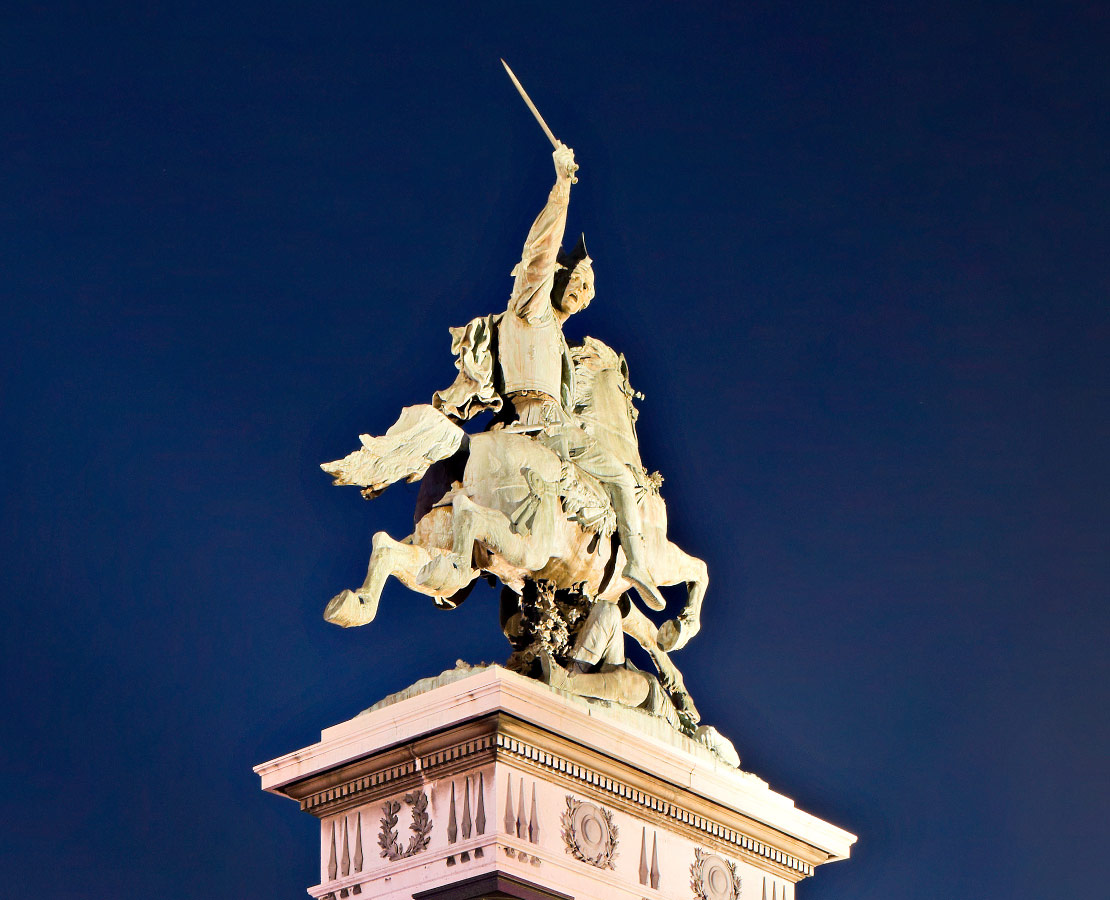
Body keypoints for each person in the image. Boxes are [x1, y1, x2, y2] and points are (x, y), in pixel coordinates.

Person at [435, 144, 665, 612]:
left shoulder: (557, 338)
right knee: (622, 478)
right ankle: (637, 563)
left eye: (589, 291)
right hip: (547, 426)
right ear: (557, 277)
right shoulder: (532, 308)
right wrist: (561, 188)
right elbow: (539, 249)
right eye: (578, 282)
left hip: (548, 422)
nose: (582, 294)